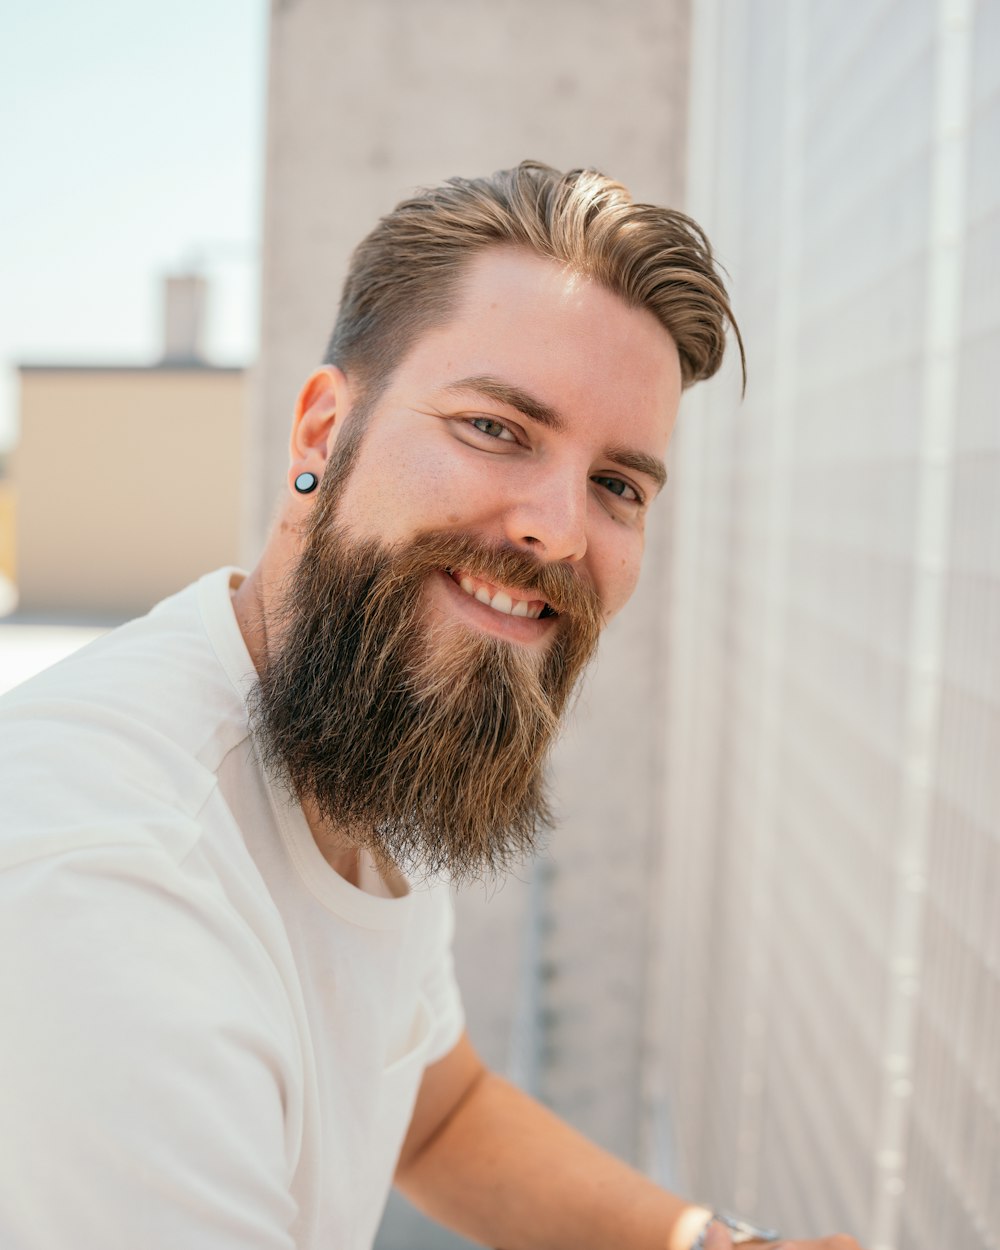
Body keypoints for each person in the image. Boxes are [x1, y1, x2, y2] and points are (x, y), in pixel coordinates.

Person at [0, 162, 864, 1250]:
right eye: (496, 427)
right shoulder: (104, 895)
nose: (556, 526)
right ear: (321, 432)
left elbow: (439, 1112)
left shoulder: (349, 731)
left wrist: (712, 1245)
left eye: (617, 485)